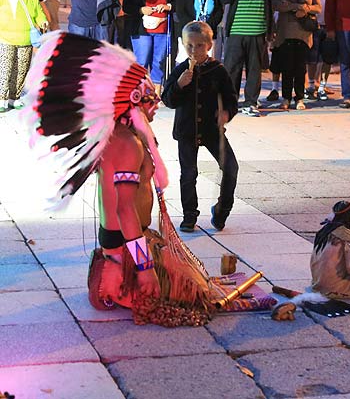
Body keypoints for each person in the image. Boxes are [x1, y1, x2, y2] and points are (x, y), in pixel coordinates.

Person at [22, 31, 211, 325]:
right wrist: (145, 267)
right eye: (149, 96)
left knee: (197, 284)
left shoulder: (125, 135)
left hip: (129, 241)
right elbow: (124, 209)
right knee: (194, 294)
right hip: (123, 248)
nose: (157, 102)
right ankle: (115, 281)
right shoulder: (124, 144)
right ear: (132, 100)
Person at [162, 21, 239, 232]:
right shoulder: (180, 70)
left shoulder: (218, 70)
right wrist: (179, 85)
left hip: (212, 131)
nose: (194, 50)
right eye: (189, 45)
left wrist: (226, 113)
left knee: (231, 168)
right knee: (189, 173)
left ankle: (222, 209)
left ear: (208, 45)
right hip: (187, 131)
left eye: (199, 46)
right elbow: (167, 100)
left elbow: (231, 99)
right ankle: (189, 215)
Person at [220, 0, 282, 117]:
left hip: (257, 33)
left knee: (254, 70)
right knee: (232, 69)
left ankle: (251, 102)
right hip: (236, 32)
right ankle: (230, 103)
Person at [123, 0, 175, 96]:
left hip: (163, 29)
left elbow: (177, 4)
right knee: (142, 60)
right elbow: (126, 6)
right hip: (141, 30)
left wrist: (167, 7)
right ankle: (140, 91)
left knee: (158, 61)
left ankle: (156, 91)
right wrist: (141, 10)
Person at [274, 0, 321, 110]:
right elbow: (277, 4)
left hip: (303, 32)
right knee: (287, 67)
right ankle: (286, 98)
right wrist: (295, 7)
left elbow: (318, 7)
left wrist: (306, 8)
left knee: (300, 67)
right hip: (286, 31)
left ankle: (299, 98)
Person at [0, 0, 48, 112]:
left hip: (26, 39)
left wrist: (43, 21)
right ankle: (2, 98)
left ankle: (15, 98)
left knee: (21, 70)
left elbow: (38, 13)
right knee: (5, 69)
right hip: (6, 37)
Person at [308, 0, 342, 101]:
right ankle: (310, 84)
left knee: (327, 57)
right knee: (312, 57)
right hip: (315, 23)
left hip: (331, 25)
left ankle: (322, 85)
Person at [268, 0, 300, 101]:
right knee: (277, 55)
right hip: (278, 20)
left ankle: (295, 90)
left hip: (295, 22)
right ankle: (274, 88)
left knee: (295, 58)